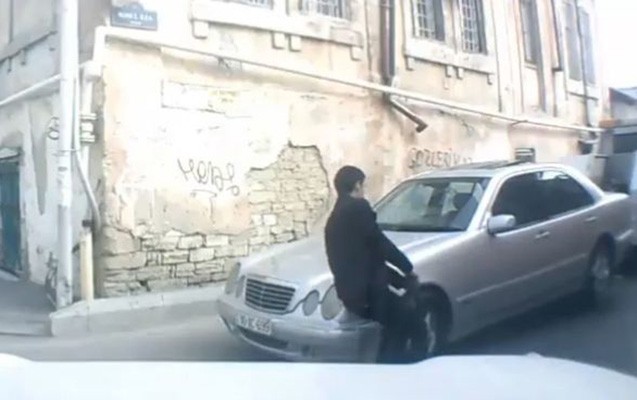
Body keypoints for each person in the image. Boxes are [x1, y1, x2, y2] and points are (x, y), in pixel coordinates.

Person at [324, 165, 426, 363]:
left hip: (351, 294)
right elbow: (379, 242)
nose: (364, 190)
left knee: (396, 324)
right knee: (409, 322)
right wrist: (407, 267)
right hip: (367, 294)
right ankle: (395, 370)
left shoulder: (334, 218)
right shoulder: (358, 208)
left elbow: (366, 256)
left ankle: (388, 363)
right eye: (363, 186)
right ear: (357, 185)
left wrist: (400, 280)